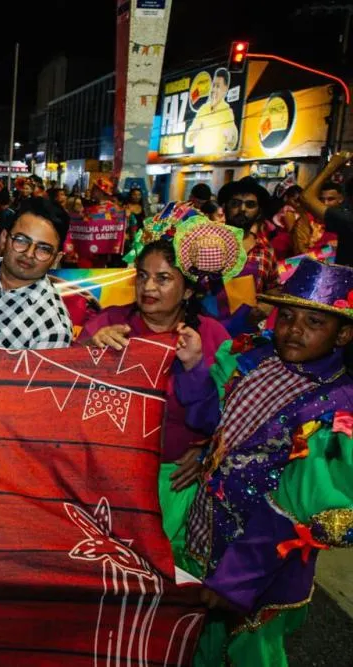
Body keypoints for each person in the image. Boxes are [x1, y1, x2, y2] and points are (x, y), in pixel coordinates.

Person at [171, 258, 353, 666]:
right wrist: (194, 367)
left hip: (259, 567)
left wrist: (235, 581)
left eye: (314, 322)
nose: (294, 329)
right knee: (197, 643)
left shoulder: (337, 410)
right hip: (206, 534)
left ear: (343, 334)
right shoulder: (257, 359)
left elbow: (293, 510)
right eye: (286, 316)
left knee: (250, 653)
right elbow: (214, 420)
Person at [78, 219, 243, 549]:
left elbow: (228, 421)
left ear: (189, 289)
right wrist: (89, 354)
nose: (148, 287)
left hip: (177, 485)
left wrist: (195, 369)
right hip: (105, 479)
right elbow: (65, 400)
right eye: (142, 276)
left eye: (163, 278)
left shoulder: (212, 338)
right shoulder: (108, 323)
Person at [0, 197, 73, 350]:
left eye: (44, 249)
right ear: (4, 238)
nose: (29, 254)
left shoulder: (52, 329)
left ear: (56, 259)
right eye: (21, 240)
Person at [222, 177, 280, 297]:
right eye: (235, 203)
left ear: (259, 212)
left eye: (250, 205)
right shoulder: (206, 241)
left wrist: (264, 304)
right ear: (225, 207)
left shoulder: (266, 251)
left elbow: (273, 289)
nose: (242, 209)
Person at [300, 150, 353, 267]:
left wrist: (332, 165)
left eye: (331, 199)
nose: (325, 203)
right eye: (322, 199)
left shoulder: (348, 220)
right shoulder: (305, 220)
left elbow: (306, 197)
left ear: (344, 198)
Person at [185, 68, 238, 155]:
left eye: (218, 86)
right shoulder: (203, 109)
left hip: (215, 160)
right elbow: (188, 142)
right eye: (213, 86)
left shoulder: (227, 112)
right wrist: (196, 131)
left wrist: (228, 138)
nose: (214, 90)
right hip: (198, 159)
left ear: (225, 89)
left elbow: (232, 144)